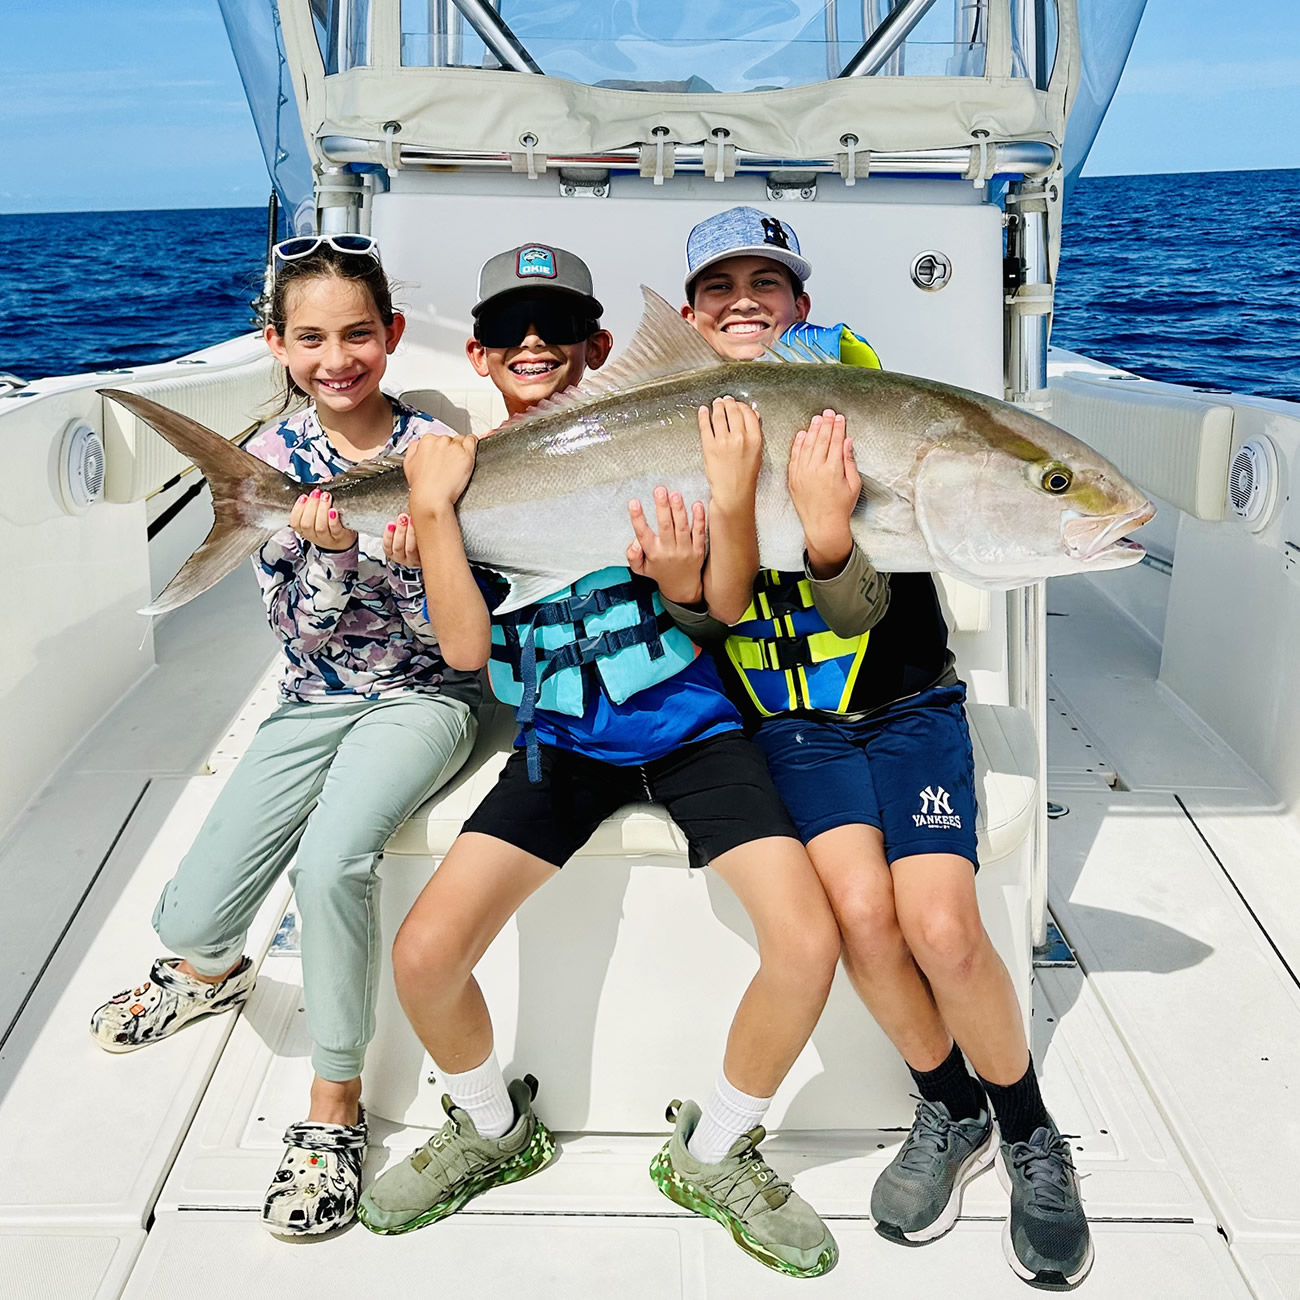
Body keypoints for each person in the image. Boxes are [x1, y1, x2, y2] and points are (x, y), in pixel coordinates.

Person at [356, 243, 843, 1280]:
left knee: (806, 940)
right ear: (479, 354)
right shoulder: (456, 476)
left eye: (561, 329)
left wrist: (682, 570)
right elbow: (466, 649)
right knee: (424, 953)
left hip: (693, 733)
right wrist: (432, 515)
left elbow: (720, 605)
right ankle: (491, 1128)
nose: (534, 346)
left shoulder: (662, 438)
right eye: (510, 331)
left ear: (600, 346)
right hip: (562, 747)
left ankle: (715, 1151)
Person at [671, 206, 1094, 1291]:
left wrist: (831, 511)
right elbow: (706, 618)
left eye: (767, 283)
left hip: (907, 703)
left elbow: (881, 583)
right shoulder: (675, 427)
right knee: (862, 916)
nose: (744, 302)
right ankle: (950, 1106)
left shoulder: (858, 405)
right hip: (792, 722)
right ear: (690, 313)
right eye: (720, 287)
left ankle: (1029, 1130)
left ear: (802, 304)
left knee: (941, 925)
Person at [89, 236, 480, 1237]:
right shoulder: (271, 463)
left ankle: (334, 1101)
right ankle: (212, 970)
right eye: (311, 338)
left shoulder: (438, 448)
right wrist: (336, 559)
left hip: (425, 695)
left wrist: (417, 554)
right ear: (276, 344)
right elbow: (297, 635)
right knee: (188, 919)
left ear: (392, 333)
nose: (336, 357)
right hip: (312, 695)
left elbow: (455, 632)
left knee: (330, 862)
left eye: (358, 333)